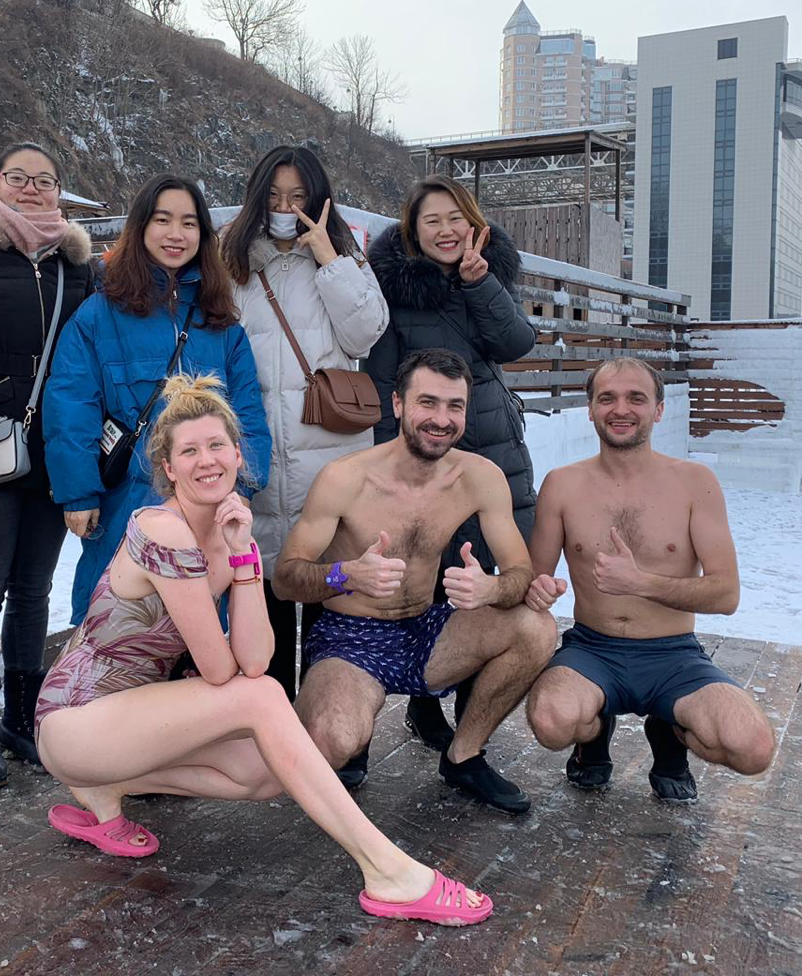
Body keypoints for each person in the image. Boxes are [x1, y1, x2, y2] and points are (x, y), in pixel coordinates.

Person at [34, 375, 492, 927]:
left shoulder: (232, 539)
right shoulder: (162, 529)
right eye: (189, 451)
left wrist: (246, 557)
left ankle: (107, 783)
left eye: (217, 445)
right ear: (169, 468)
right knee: (262, 700)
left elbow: (253, 660)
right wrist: (245, 604)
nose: (207, 461)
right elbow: (222, 670)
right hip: (73, 720)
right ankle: (388, 870)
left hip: (129, 725)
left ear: (236, 453)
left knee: (265, 771)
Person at [273, 349, 557, 814]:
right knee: (329, 742)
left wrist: (493, 588)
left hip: (428, 629)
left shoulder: (479, 477)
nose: (441, 419)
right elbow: (285, 581)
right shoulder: (345, 478)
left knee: (537, 627)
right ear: (398, 405)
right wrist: (347, 575)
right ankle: (354, 734)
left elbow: (520, 573)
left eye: (455, 406)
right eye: (428, 403)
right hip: (352, 639)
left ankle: (464, 754)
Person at [523, 357, 776, 802]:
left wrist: (641, 583)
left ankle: (671, 731)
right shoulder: (561, 485)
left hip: (673, 657)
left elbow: (726, 594)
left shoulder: (695, 483)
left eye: (636, 398)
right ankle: (594, 735)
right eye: (607, 398)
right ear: (590, 409)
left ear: (659, 409)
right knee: (550, 722)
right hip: (592, 650)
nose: (621, 409)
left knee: (753, 749)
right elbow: (533, 578)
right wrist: (537, 589)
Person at [44, 174, 271, 625]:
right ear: (141, 227)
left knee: (202, 630)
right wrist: (78, 493)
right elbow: (71, 403)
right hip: (125, 502)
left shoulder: (220, 322)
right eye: (163, 219)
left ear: (203, 236)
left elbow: (247, 412)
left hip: (206, 504)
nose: (175, 234)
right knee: (115, 628)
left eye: (189, 223)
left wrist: (242, 487)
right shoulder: (100, 312)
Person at [366, 175, 541, 762]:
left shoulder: (488, 275)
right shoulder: (394, 291)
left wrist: (480, 282)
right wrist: (396, 467)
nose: (445, 230)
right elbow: (385, 381)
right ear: (412, 232)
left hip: (495, 448)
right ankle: (425, 700)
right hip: (428, 453)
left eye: (454, 218)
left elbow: (517, 342)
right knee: (436, 575)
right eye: (431, 221)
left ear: (473, 223)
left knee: (494, 580)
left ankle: (475, 715)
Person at [0, 142, 94, 787]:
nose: (33, 189)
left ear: (60, 191)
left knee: (33, 589)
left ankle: (21, 720)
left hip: (52, 449)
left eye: (46, 181)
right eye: (18, 178)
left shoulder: (75, 266)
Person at [220, 145, 389, 699]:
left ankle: (327, 726)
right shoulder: (235, 263)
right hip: (258, 451)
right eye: (273, 197)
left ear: (319, 201)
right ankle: (268, 729)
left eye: (297, 197)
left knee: (328, 591)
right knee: (262, 591)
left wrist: (329, 260)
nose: (285, 208)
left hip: (329, 458)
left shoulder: (344, 259)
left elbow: (366, 334)